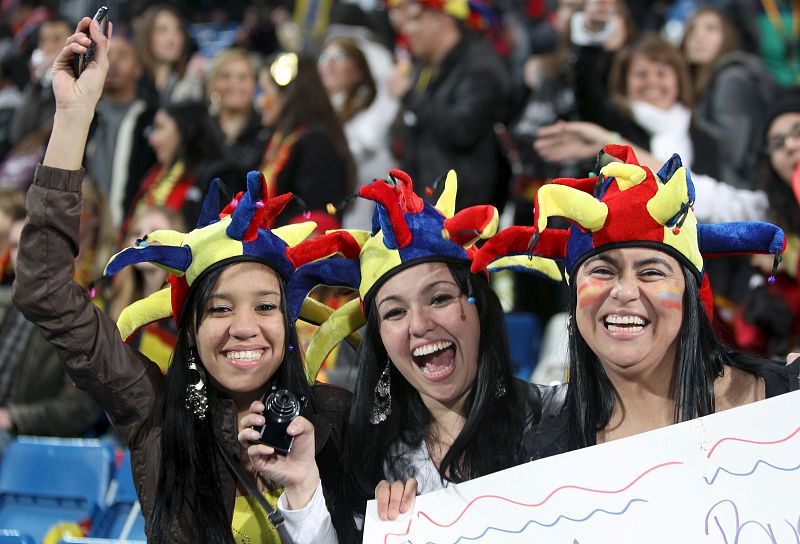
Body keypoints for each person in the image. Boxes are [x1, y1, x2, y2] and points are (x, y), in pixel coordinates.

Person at [12, 17, 358, 542]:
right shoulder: (154, 411)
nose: (244, 326)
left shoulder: (339, 419)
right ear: (190, 327)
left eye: (265, 306)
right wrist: (74, 116)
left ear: (289, 321)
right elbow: (45, 289)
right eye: (220, 308)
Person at [240, 168, 565, 537]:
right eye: (395, 312)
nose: (419, 325)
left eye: (439, 298)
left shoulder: (563, 419)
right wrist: (302, 487)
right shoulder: (367, 460)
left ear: (480, 306)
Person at [472, 144, 799, 457]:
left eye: (651, 272)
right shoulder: (540, 454)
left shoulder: (786, 398)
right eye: (602, 271)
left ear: (690, 293)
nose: (625, 291)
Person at [386, 0, 511, 211]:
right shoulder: (424, 66)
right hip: (424, 200)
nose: (407, 29)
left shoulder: (481, 65)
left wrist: (409, 95)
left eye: (415, 18)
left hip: (462, 209)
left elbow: (462, 129)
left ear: (443, 19)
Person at [0, 207, 100, 458]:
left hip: (27, 443)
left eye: (31, 243)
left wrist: (13, 418)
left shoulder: (80, 320)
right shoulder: (5, 305)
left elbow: (80, 409)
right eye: (15, 245)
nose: (22, 254)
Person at [681, 7, 777, 187]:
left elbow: (735, 150)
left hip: (737, 189)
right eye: (692, 29)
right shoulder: (706, 81)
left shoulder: (731, 78)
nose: (698, 36)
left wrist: (687, 121)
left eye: (711, 28)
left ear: (728, 36)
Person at [258, 52, 354, 226]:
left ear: (288, 94)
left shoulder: (317, 143)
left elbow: (316, 219)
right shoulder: (281, 139)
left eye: (264, 91)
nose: (260, 101)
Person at [318, 36, 399, 230]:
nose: (329, 64)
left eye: (339, 57)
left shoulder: (373, 110)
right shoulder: (321, 112)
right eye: (323, 57)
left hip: (368, 214)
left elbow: (362, 146)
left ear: (359, 71)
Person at [84, 32, 157, 227]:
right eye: (107, 55)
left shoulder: (151, 120)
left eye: (122, 55)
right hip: (88, 229)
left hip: (132, 228)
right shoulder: (86, 115)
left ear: (138, 68)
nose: (113, 62)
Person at [125, 100, 224, 229]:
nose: (152, 139)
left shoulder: (211, 179)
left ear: (185, 130)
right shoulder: (155, 174)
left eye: (159, 128)